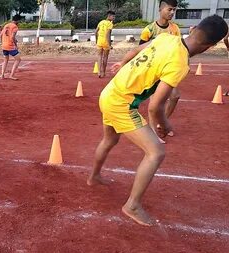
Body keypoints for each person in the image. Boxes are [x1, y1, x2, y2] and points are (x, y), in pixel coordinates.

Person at [88, 15, 228, 226]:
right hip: (121, 104)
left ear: (193, 29)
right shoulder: (180, 64)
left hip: (110, 92)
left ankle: (94, 177)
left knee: (110, 139)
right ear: (210, 46)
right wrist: (165, 124)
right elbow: (155, 106)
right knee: (156, 152)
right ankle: (132, 205)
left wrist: (123, 63)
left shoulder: (167, 38)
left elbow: (136, 50)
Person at [140, 0, 181, 140]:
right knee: (154, 103)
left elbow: (178, 48)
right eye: (169, 9)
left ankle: (161, 124)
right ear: (161, 9)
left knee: (175, 96)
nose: (172, 12)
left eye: (174, 10)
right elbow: (141, 51)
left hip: (168, 70)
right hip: (153, 71)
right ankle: (152, 134)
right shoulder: (149, 30)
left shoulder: (175, 29)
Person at [0, 15, 22, 80]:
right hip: (10, 46)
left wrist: (3, 42)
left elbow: (0, 35)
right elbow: (12, 37)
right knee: (18, 59)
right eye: (19, 21)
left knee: (5, 60)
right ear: (18, 20)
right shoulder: (15, 27)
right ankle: (11, 75)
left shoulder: (6, 25)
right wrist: (16, 45)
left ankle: (2, 75)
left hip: (4, 46)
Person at [95, 11, 115, 78]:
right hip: (106, 42)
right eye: (113, 16)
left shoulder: (101, 22)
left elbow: (96, 32)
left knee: (99, 56)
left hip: (99, 41)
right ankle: (103, 72)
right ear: (109, 16)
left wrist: (96, 40)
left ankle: (99, 72)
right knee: (105, 57)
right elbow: (108, 35)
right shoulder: (110, 24)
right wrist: (110, 44)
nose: (114, 18)